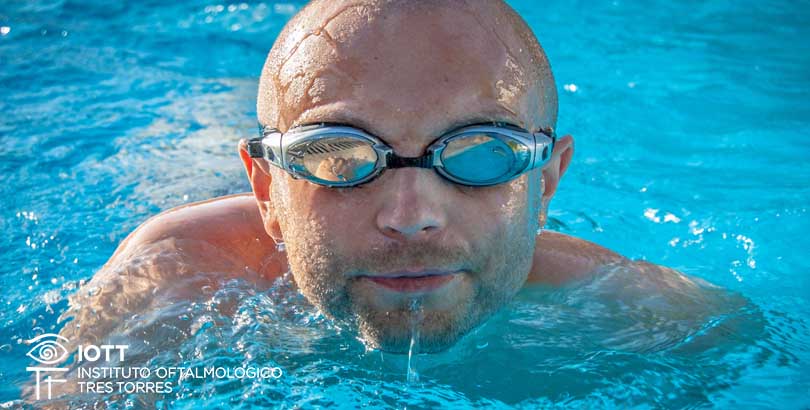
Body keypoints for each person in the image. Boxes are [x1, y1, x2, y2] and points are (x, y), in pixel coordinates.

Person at [58, 0, 711, 355]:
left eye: (481, 153)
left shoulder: (650, 315)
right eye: (338, 155)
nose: (408, 215)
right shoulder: (178, 277)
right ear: (266, 192)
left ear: (544, 184)